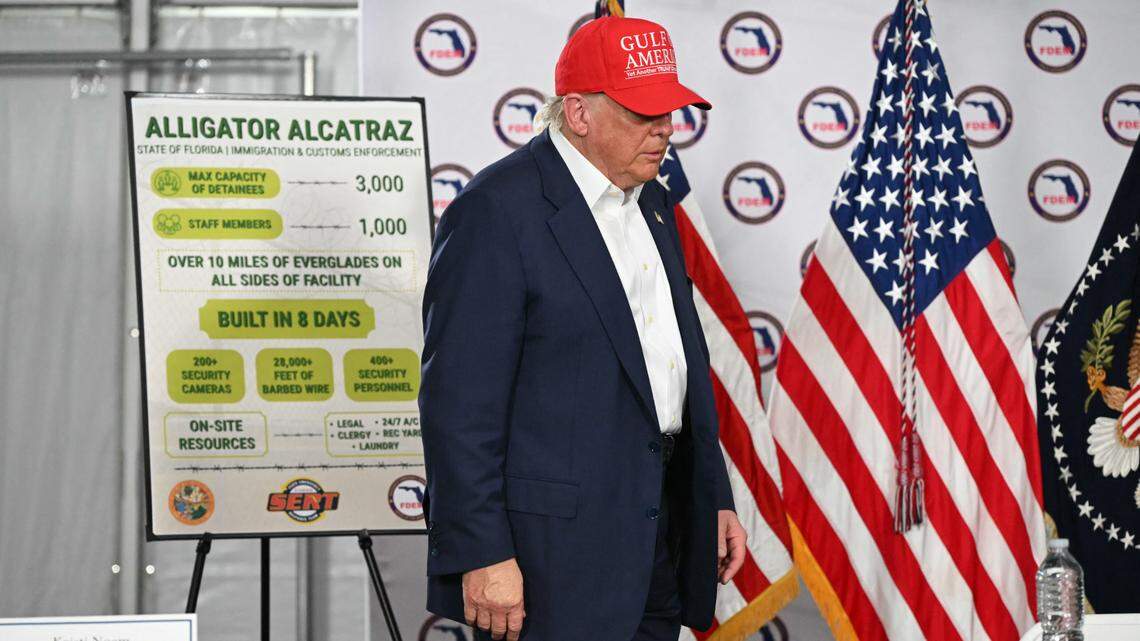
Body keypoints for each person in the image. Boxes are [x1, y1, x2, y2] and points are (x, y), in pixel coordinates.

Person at [418, 16, 746, 641]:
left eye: (669, 111)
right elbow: (457, 407)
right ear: (578, 113)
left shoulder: (651, 202)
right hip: (550, 559)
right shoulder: (495, 213)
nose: (665, 130)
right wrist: (481, 552)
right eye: (642, 113)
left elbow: (673, 361)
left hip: (659, 536)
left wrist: (714, 494)